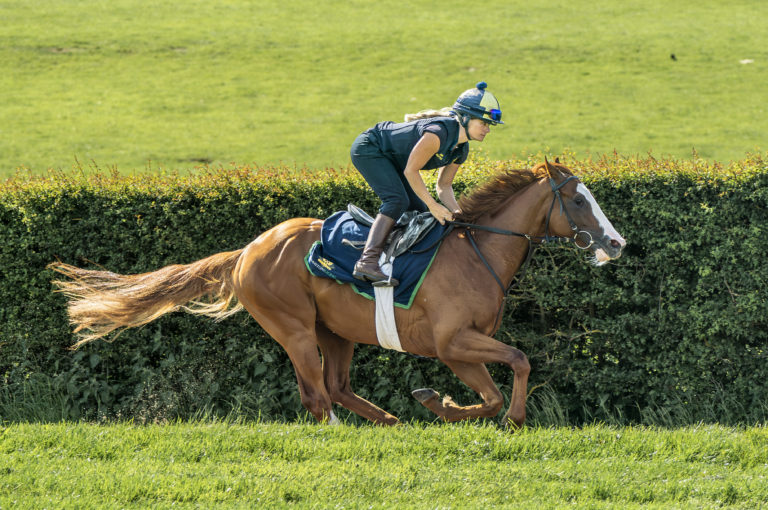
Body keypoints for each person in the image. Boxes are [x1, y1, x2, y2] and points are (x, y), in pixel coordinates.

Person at [350, 81, 504, 286]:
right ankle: (367, 261)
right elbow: (410, 171)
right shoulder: (438, 133)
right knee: (396, 201)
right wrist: (434, 207)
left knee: (418, 209)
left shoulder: (461, 150)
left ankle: (397, 260)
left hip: (394, 159)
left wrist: (460, 214)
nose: (487, 130)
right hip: (370, 148)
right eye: (483, 123)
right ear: (465, 118)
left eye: (489, 125)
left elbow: (444, 186)